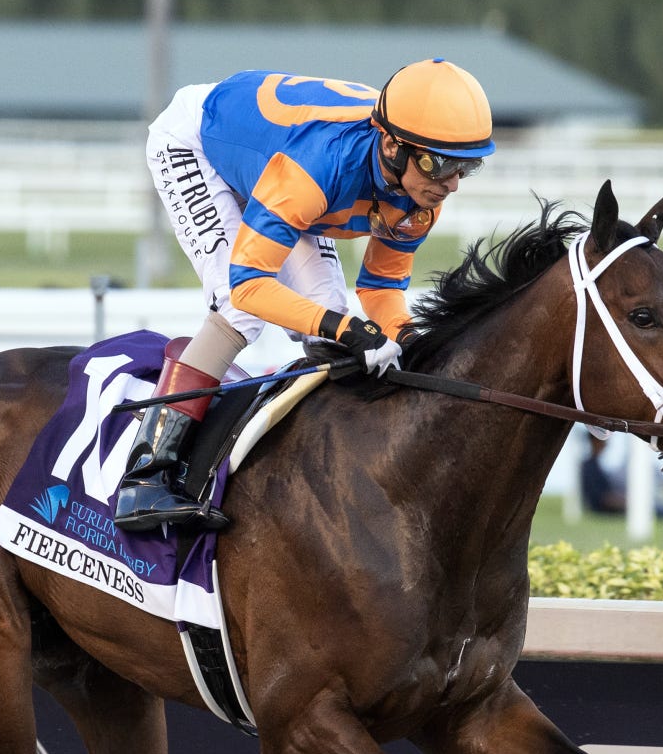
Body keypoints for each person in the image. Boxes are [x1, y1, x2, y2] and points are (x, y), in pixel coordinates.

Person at [114, 58, 496, 532]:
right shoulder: (319, 166)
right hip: (199, 145)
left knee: (328, 312)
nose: (451, 183)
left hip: (278, 163)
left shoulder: (420, 194)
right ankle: (145, 478)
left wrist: (409, 341)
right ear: (392, 147)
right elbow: (250, 285)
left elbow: (380, 286)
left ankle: (321, 461)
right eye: (439, 164)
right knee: (239, 309)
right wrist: (347, 330)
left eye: (467, 166)